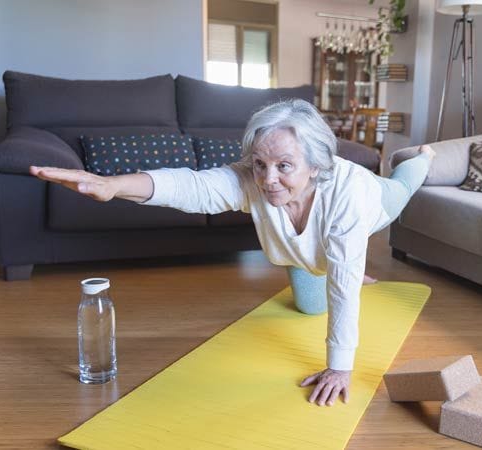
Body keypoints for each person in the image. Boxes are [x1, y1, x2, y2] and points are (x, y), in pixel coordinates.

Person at [30, 99, 435, 407]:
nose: (268, 179)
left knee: (402, 186)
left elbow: (344, 291)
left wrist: (340, 367)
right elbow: (193, 187)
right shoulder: (253, 178)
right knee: (312, 307)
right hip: (313, 252)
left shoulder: (348, 195)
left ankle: (420, 158)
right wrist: (113, 185)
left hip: (379, 201)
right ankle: (339, 259)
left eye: (284, 166)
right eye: (260, 163)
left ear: (315, 166)